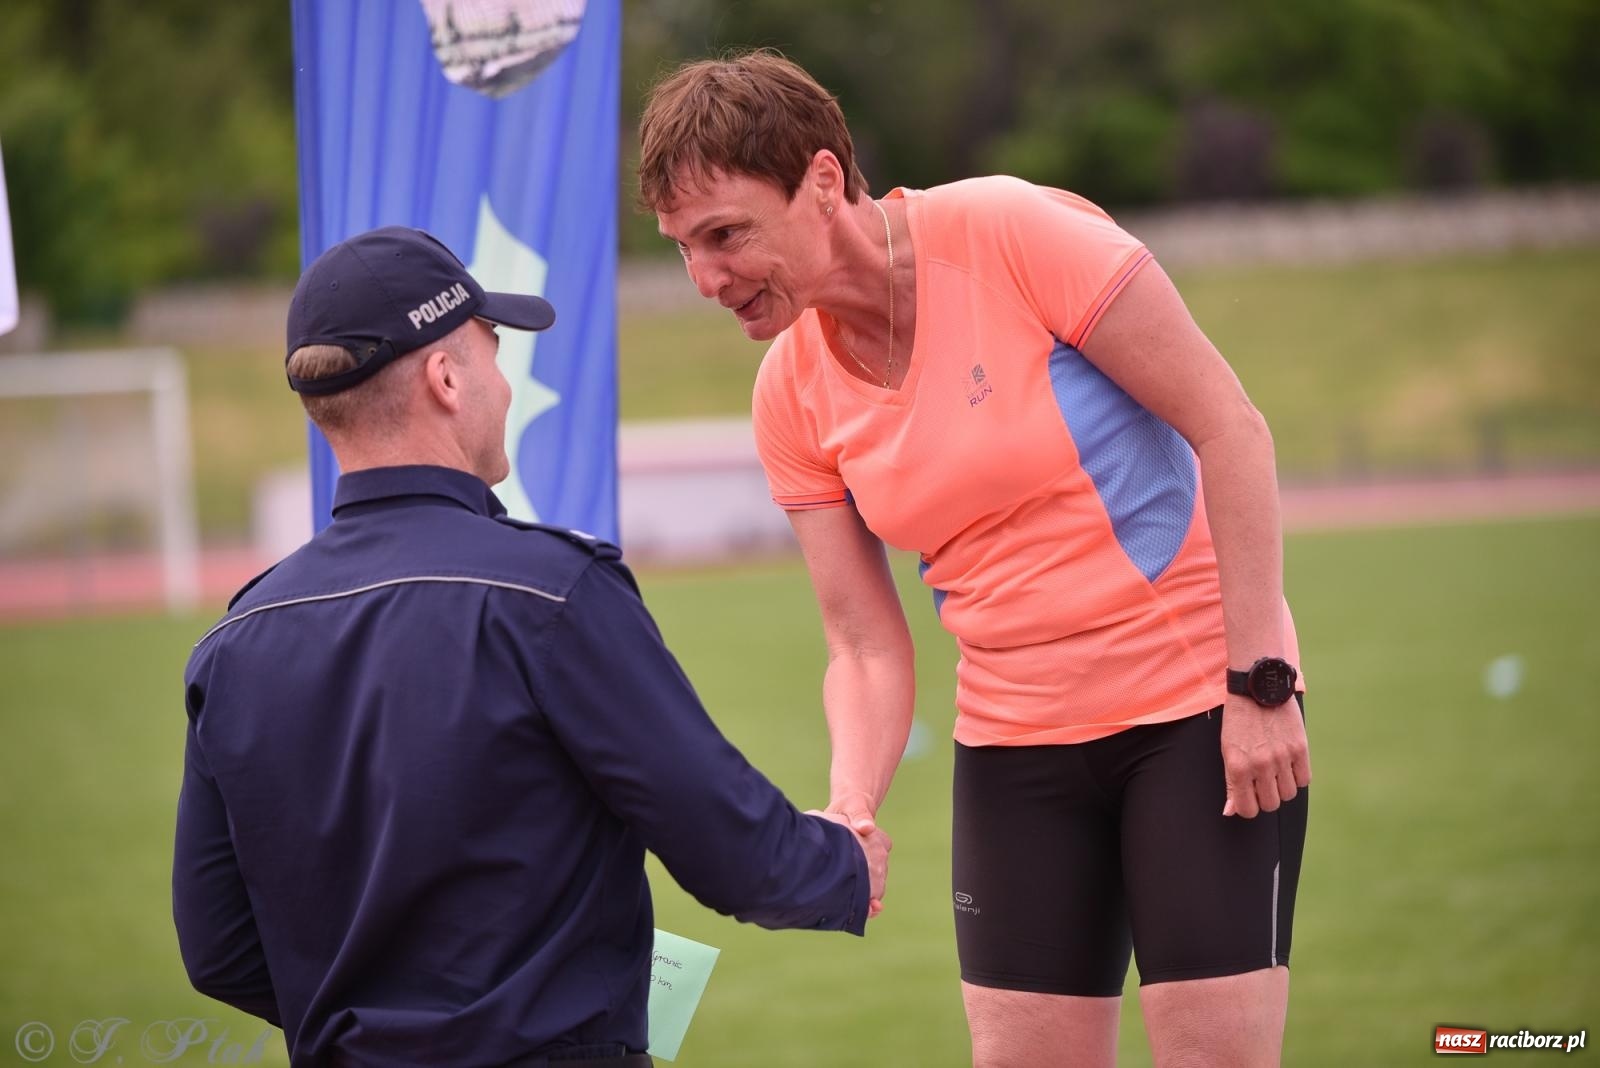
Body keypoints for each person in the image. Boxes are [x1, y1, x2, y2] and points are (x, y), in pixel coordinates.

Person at [640, 50, 1311, 1068]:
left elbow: (1231, 430)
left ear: (823, 181)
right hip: (1014, 754)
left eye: (724, 234)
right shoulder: (789, 390)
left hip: (1195, 716)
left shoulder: (1008, 231)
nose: (704, 278)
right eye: (683, 247)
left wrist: (1261, 681)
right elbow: (862, 642)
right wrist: (850, 803)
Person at [171, 225, 891, 1068]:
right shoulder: (551, 593)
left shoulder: (235, 641)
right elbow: (728, 846)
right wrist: (842, 863)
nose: (506, 388)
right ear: (445, 377)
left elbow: (218, 946)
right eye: (492, 352)